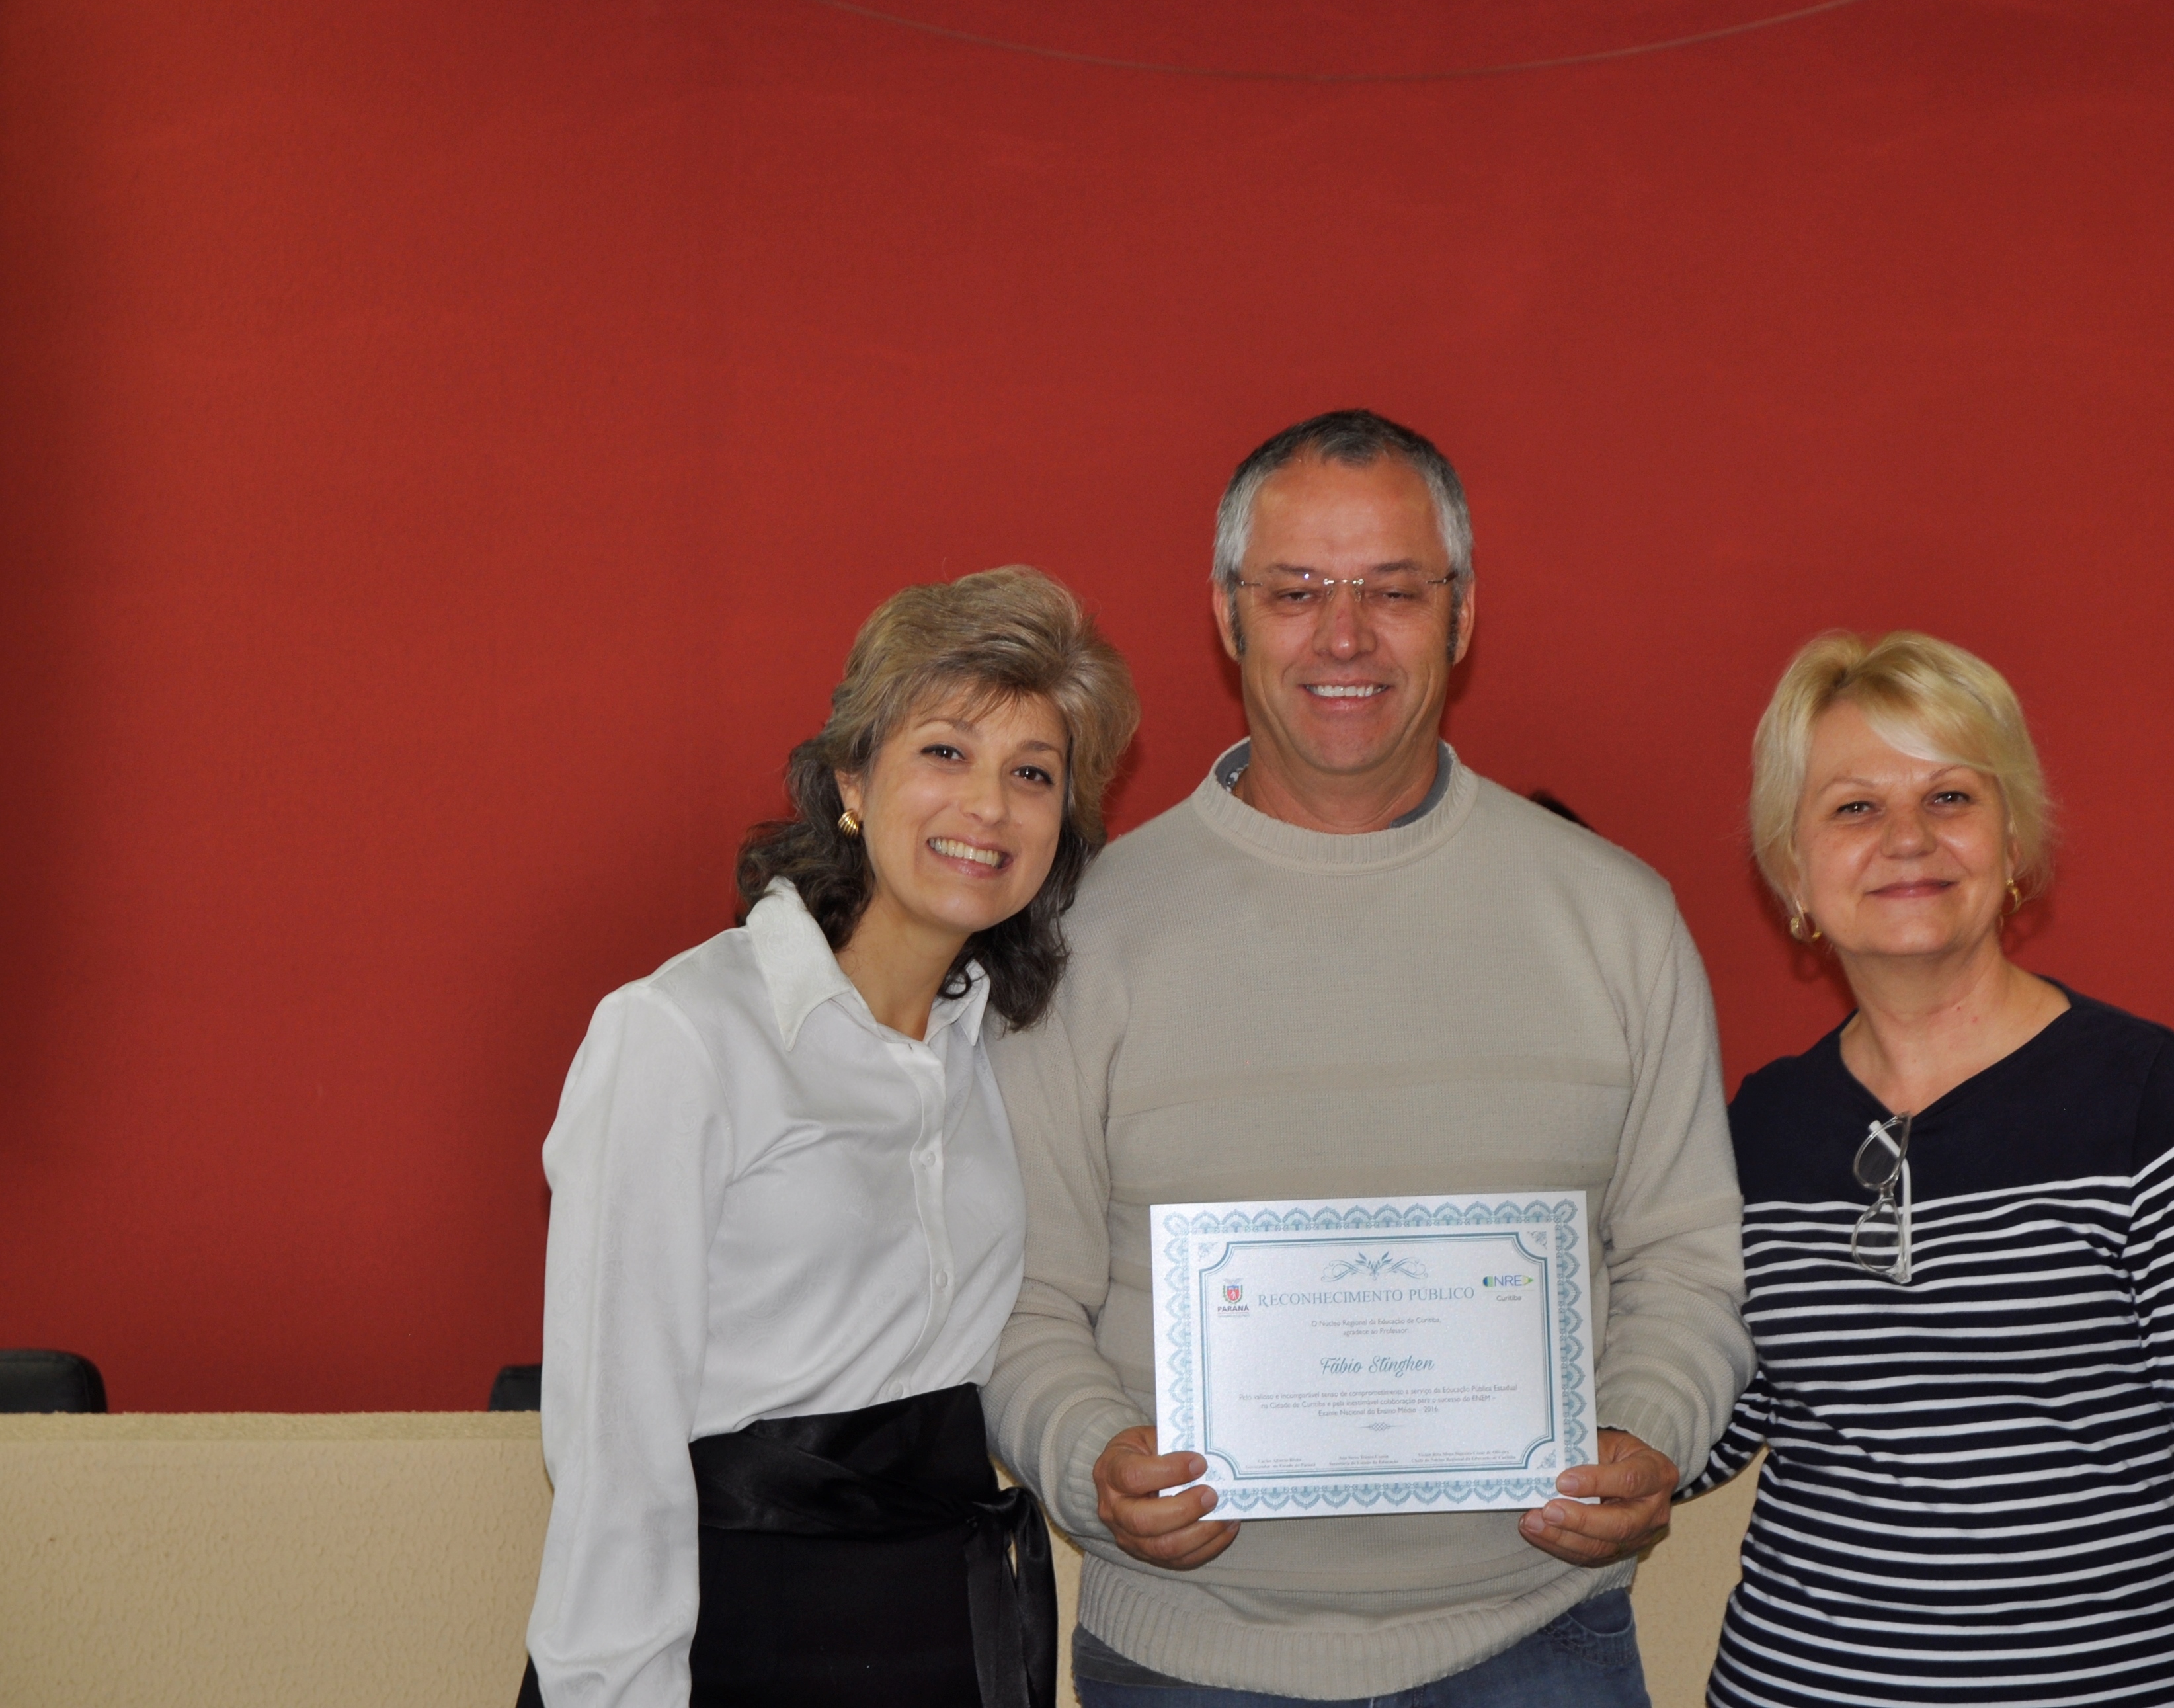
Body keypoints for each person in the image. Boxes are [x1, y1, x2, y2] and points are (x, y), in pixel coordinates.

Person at [984, 409, 1753, 1706]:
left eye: (1395, 589)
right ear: (1228, 615)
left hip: (1538, 1647)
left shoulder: (1615, 917)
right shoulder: (1078, 934)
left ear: (1462, 615)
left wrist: (1650, 1433)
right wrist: (1088, 1459)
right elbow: (1019, 1295)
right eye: (1296, 590)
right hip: (1184, 1661)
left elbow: (1687, 1254)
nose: (1345, 635)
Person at [523, 567, 1139, 1708]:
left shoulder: (1000, 1054)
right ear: (852, 777)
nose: (989, 807)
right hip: (733, 1627)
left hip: (941, 1627)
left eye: (1033, 773)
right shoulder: (680, 1034)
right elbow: (615, 1444)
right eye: (945, 752)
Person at [1695, 629, 2174, 1708]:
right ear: (1791, 868)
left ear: (2013, 838)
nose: (1905, 839)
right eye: (1851, 806)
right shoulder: (1763, 1123)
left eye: (1948, 798)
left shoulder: (2145, 1098)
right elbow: (1714, 1428)